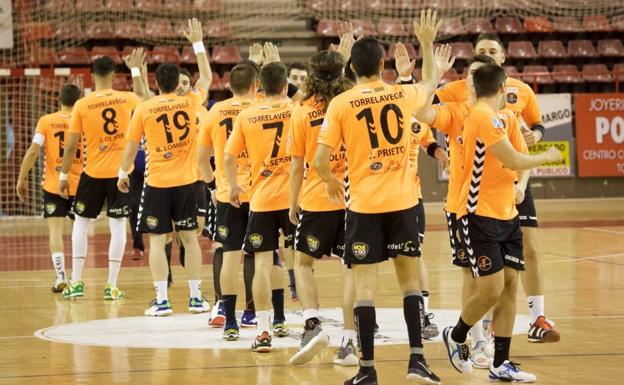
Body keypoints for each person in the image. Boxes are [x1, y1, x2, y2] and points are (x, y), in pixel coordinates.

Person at [314, 10, 445, 385]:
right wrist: (424, 41)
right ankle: (417, 361)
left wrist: (329, 181)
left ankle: (367, 370)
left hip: (364, 208)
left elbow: (322, 160)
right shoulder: (403, 94)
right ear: (384, 64)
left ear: (352, 68)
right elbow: (431, 82)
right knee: (409, 285)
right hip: (403, 204)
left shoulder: (341, 103)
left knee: (365, 290)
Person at [441, 64, 562, 382]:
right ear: (502, 86)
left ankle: (501, 363)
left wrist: (523, 182)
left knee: (509, 287)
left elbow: (520, 159)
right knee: (490, 288)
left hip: (508, 213)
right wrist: (546, 156)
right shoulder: (480, 115)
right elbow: (513, 158)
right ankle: (456, 336)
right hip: (478, 214)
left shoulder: (507, 117)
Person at [117, 18, 213, 316]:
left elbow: (131, 145)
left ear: (157, 84)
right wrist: (197, 44)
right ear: (178, 84)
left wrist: (123, 172)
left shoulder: (145, 107)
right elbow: (207, 78)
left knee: (157, 241)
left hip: (158, 183)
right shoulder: (192, 103)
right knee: (190, 239)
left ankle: (162, 301)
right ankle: (196, 299)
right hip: (188, 182)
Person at [414, 54, 499, 369]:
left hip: (500, 208)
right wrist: (435, 76)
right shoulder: (454, 111)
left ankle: (484, 338)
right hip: (463, 207)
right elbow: (420, 111)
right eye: (471, 74)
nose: (474, 80)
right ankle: (474, 339)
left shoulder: (500, 115)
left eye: (481, 74)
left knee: (498, 281)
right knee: (473, 276)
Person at [287, 31, 359, 366]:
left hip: (316, 197)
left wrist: (292, 202)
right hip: (354, 197)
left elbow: (297, 163)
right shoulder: (355, 101)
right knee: (351, 268)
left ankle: (312, 323)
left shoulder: (301, 110)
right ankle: (349, 338)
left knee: (302, 263)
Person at [224, 62, 295, 353]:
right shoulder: (296, 109)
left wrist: (233, 186)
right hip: (294, 198)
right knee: (299, 263)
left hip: (262, 199)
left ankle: (264, 331)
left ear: (260, 88)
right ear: (287, 84)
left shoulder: (247, 115)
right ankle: (297, 321)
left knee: (263, 265)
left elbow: (229, 157)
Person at [58, 56, 140, 300]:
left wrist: (63, 175)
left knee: (81, 223)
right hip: (121, 174)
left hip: (92, 173)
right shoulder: (129, 99)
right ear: (115, 76)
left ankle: (76, 282)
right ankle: (111, 286)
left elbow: (71, 146)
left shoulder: (82, 104)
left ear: (91, 77)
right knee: (117, 226)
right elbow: (147, 101)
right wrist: (136, 71)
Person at [198, 63, 258, 339]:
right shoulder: (261, 107)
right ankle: (254, 312)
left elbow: (201, 159)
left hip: (227, 194)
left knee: (228, 253)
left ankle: (229, 319)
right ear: (255, 84)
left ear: (228, 86)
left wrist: (212, 186)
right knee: (262, 255)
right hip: (260, 194)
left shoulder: (216, 111)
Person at [16, 84, 83, 293]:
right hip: (81, 185)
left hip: (54, 185)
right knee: (79, 231)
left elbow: (34, 150)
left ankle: (60, 276)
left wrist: (21, 178)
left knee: (55, 231)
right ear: (79, 100)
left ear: (59, 100)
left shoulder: (46, 121)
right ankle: (77, 278)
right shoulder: (84, 120)